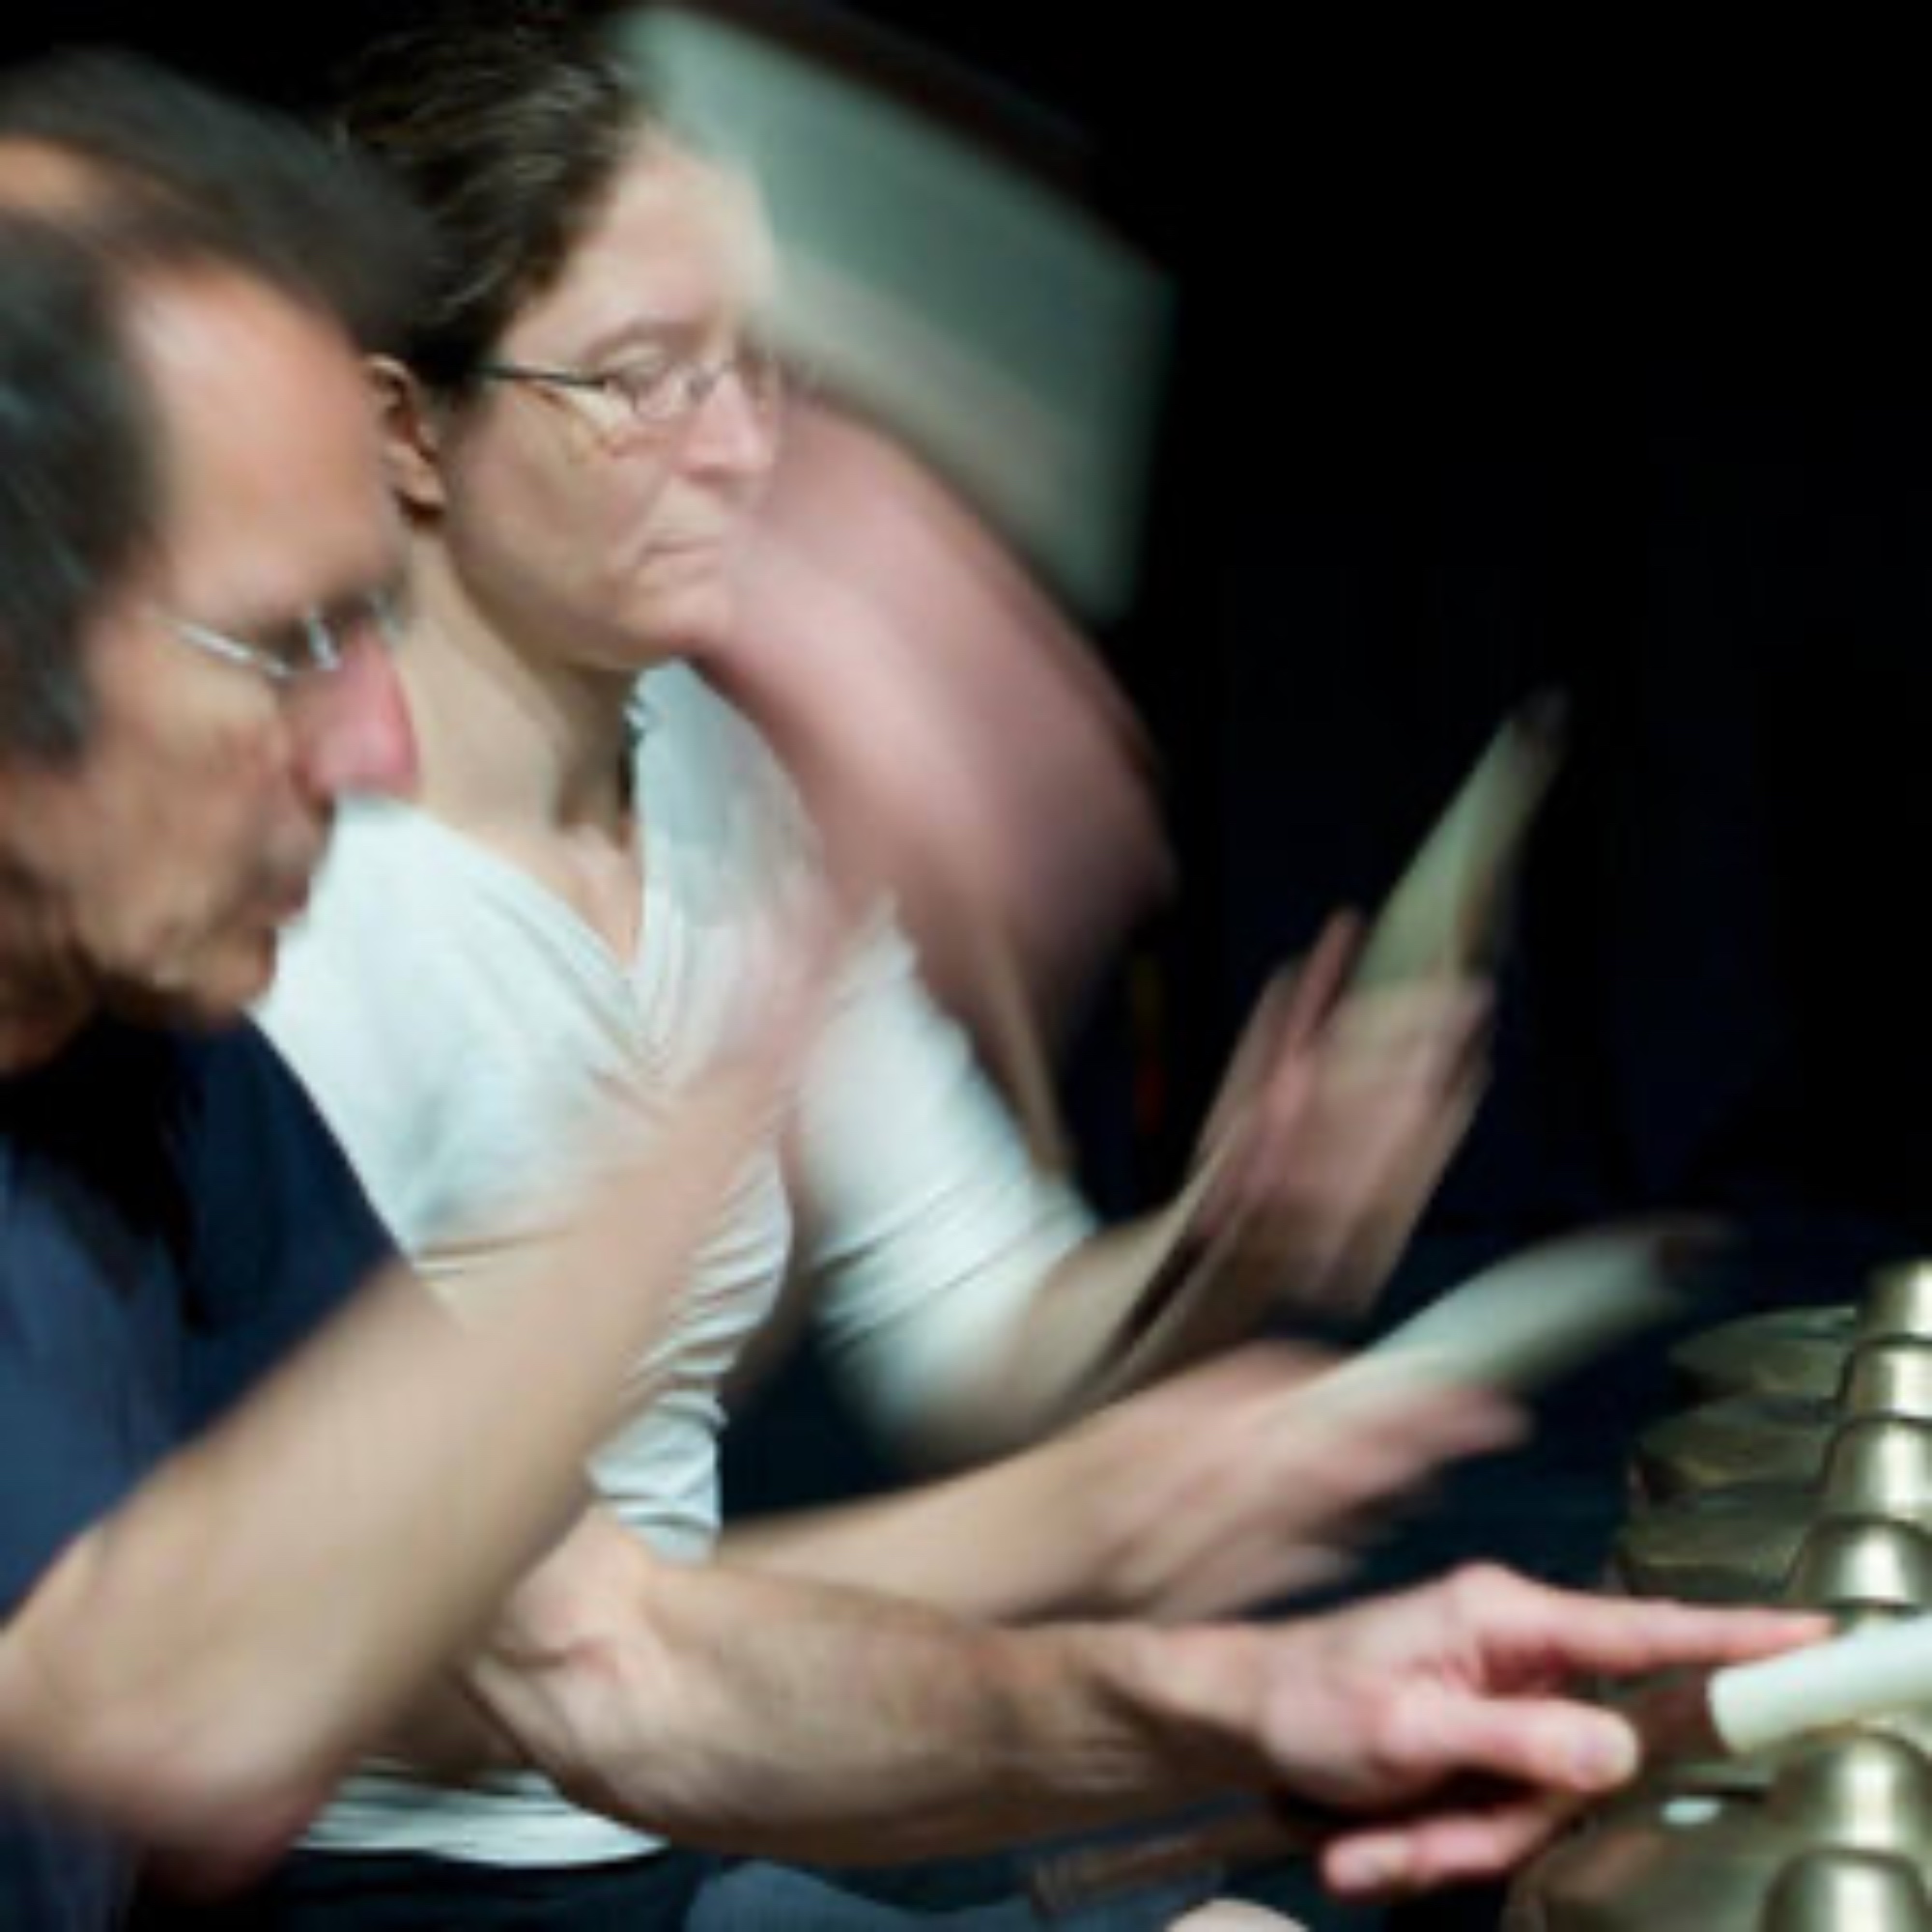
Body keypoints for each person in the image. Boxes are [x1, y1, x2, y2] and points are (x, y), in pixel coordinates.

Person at [0, 42, 1823, 1932]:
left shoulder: (217, 1047)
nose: (739, 445)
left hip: (655, 1837)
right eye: (287, 642)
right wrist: (1077, 1515)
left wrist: (1257, 1685)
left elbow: (606, 1652)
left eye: (756, 366)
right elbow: (213, 1716)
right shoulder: (281, 940)